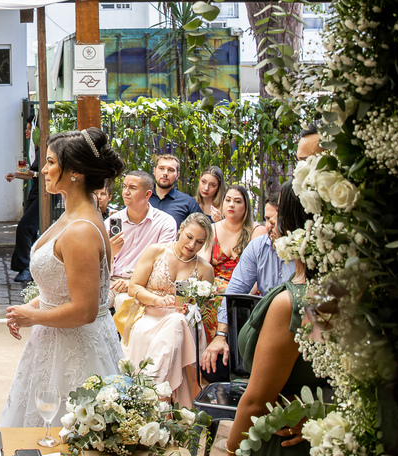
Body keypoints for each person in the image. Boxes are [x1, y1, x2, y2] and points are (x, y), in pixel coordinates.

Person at [0, 128, 126, 427]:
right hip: (54, 341)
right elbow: (63, 290)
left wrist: (34, 316)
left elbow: (84, 310)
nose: (43, 170)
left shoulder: (81, 230)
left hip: (76, 351)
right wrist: (34, 308)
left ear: (76, 173)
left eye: (51, 162)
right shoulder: (72, 215)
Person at [225, 183, 331, 456]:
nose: (270, 226)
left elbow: (257, 403)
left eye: (277, 217)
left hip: (277, 441)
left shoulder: (292, 304)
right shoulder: (328, 293)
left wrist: (228, 449)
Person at [119, 213, 216, 406]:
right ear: (180, 229)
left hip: (182, 320)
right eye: (189, 237)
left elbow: (205, 309)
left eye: (199, 242)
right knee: (174, 325)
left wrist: (192, 307)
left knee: (177, 322)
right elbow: (134, 287)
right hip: (148, 314)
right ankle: (160, 396)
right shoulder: (156, 251)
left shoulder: (206, 269)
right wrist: (157, 299)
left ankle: (153, 391)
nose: (191, 245)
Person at [200, 185, 293, 383]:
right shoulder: (259, 246)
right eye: (267, 220)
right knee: (215, 365)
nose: (269, 226)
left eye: (274, 221)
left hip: (294, 328)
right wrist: (221, 336)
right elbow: (234, 291)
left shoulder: (303, 248)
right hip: (263, 323)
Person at [105, 170, 177, 307]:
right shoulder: (113, 222)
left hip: (143, 283)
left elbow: (161, 264)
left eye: (132, 188)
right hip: (111, 281)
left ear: (147, 194)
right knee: (93, 305)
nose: (126, 192)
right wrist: (111, 251)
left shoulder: (164, 223)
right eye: (124, 186)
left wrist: (134, 282)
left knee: (124, 303)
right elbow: (99, 263)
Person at [8, 116, 40, 284]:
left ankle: (25, 267)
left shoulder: (45, 148)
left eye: (29, 129)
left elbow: (39, 173)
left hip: (45, 192)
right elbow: (33, 173)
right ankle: (35, 266)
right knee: (32, 230)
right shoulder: (34, 148)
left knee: (24, 227)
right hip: (36, 189)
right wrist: (16, 174)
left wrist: (26, 174)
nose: (27, 131)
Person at [211, 184, 259, 293]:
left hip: (248, 293)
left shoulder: (257, 231)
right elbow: (201, 264)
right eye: (228, 200)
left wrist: (246, 297)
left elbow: (262, 272)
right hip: (216, 293)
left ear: (246, 206)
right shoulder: (211, 229)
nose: (231, 205)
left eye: (237, 202)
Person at [149, 154, 203, 226]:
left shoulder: (188, 203)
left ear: (177, 175)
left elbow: (203, 229)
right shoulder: (142, 198)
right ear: (154, 171)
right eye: (161, 168)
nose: (165, 173)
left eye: (171, 170)